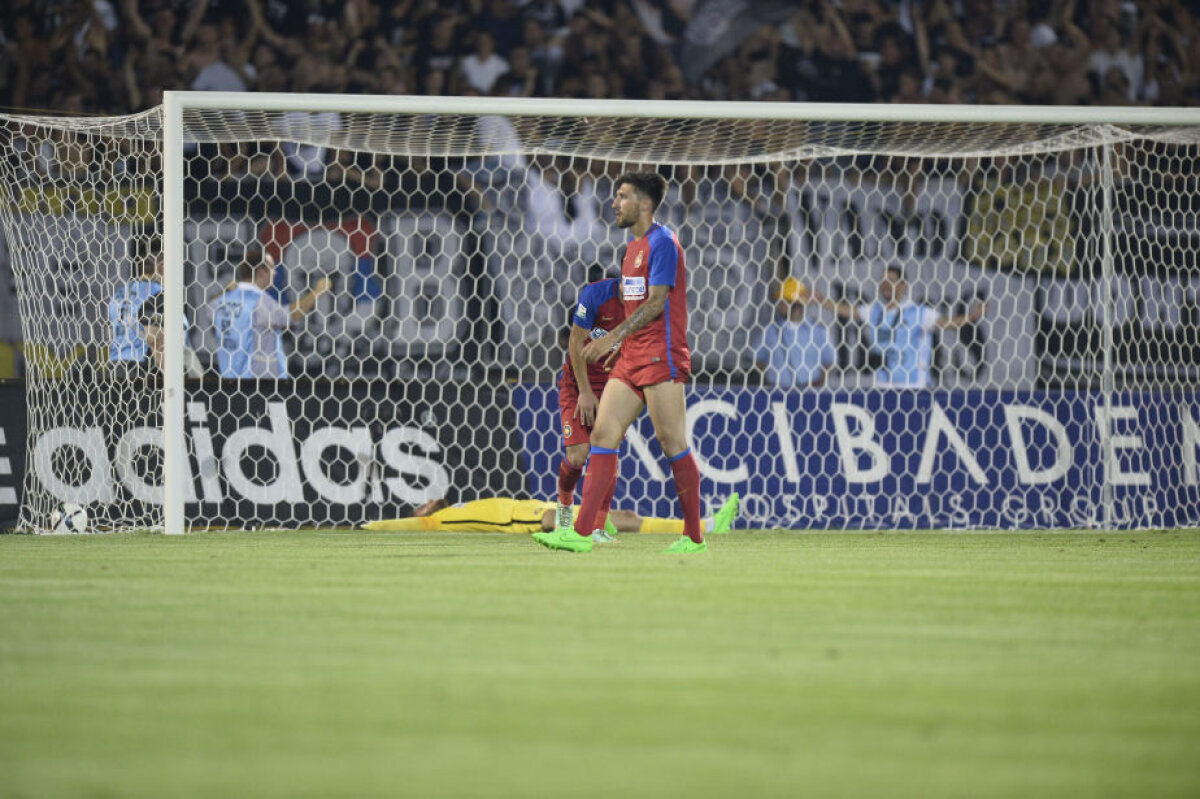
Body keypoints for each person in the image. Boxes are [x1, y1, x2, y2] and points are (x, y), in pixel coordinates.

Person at [533, 171, 707, 554]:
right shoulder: (631, 250)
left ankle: (694, 537)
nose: (614, 203)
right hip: (630, 358)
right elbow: (631, 307)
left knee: (671, 441)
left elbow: (656, 302)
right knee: (602, 435)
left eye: (623, 196)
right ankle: (580, 535)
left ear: (644, 205)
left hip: (661, 355)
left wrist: (612, 336)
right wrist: (617, 346)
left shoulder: (664, 243)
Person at [810, 264, 985, 388]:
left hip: (913, 387)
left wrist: (971, 317)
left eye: (891, 280)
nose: (886, 284)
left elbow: (946, 323)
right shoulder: (875, 310)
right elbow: (848, 311)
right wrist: (823, 301)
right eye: (884, 280)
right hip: (883, 386)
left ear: (902, 285)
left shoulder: (918, 312)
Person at [553, 273, 626, 539]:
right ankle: (564, 505)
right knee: (577, 457)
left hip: (614, 387)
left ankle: (597, 526)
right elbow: (575, 341)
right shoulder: (595, 295)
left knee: (606, 454)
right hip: (578, 385)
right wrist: (584, 391)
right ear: (622, 276)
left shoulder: (644, 305)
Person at [362, 493, 740, 535]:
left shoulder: (455, 504)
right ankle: (576, 534)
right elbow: (418, 523)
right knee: (556, 522)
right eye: (421, 502)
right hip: (517, 519)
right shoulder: (441, 520)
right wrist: (377, 525)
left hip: (532, 504)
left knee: (617, 514)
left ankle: (704, 525)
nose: (425, 503)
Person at [208, 250, 330, 379]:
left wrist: (227, 291)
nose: (275, 273)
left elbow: (209, 309)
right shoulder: (259, 301)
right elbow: (290, 315)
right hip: (261, 385)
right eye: (272, 268)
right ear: (261, 272)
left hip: (228, 381)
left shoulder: (220, 302)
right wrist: (316, 292)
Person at [754, 277, 837, 388]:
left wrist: (817, 387)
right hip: (775, 391)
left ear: (797, 305)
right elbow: (758, 361)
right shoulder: (770, 330)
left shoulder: (818, 330)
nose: (780, 305)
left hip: (809, 391)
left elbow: (829, 363)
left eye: (784, 302)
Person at [108, 249, 163, 379]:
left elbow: (109, 331)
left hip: (115, 362)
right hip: (141, 364)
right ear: (161, 267)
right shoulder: (156, 292)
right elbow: (154, 338)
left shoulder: (119, 293)